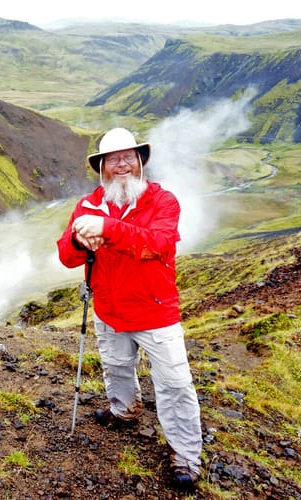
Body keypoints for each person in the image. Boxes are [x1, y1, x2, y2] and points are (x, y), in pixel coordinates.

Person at [56, 128, 202, 490]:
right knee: (117, 366)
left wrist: (108, 228)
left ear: (140, 162)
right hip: (109, 309)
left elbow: (158, 244)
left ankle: (185, 454)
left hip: (156, 313)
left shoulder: (162, 202)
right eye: (112, 159)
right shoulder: (87, 206)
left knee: (174, 384)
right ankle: (124, 409)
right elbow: (66, 255)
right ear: (102, 167)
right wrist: (77, 238)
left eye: (128, 157)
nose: (121, 164)